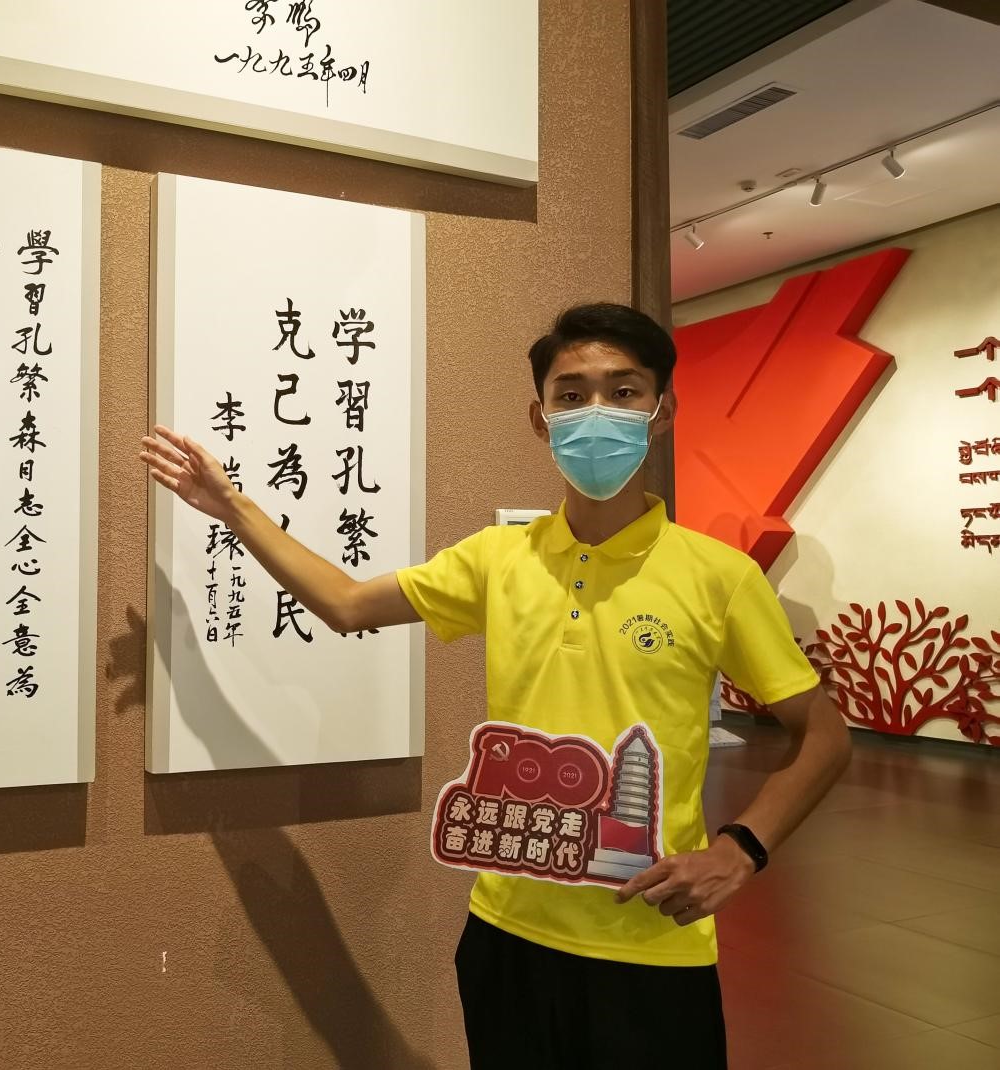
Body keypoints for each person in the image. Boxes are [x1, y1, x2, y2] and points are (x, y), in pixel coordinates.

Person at [139, 302, 851, 1068]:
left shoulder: (719, 576)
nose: (596, 412)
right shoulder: (496, 558)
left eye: (623, 391)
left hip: (649, 944)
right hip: (505, 932)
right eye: (571, 395)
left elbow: (823, 735)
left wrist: (740, 849)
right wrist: (233, 508)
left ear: (662, 411)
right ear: (540, 420)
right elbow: (345, 605)